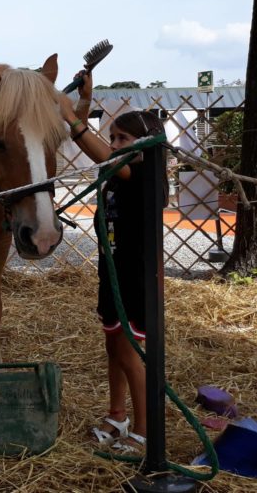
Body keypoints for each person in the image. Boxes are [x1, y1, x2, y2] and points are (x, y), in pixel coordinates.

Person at [59, 72, 168, 455]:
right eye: (114, 137)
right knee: (113, 346)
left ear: (149, 143)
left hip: (136, 275)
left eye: (124, 139)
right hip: (113, 271)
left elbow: (103, 155)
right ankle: (117, 414)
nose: (115, 144)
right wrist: (83, 105)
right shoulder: (118, 173)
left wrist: (69, 117)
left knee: (129, 351)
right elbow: (101, 155)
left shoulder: (144, 173)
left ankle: (144, 430)